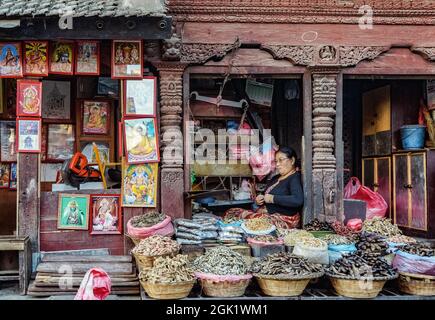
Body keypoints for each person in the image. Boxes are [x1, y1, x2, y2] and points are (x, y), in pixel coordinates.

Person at [255, 146, 303, 227]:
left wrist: (272, 198)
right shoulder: (276, 177)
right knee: (233, 212)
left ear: (292, 160)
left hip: (283, 219)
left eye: (281, 160)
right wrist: (260, 199)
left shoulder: (294, 177)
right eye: (276, 161)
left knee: (243, 218)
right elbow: (266, 193)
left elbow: (297, 200)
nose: (277, 164)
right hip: (267, 213)